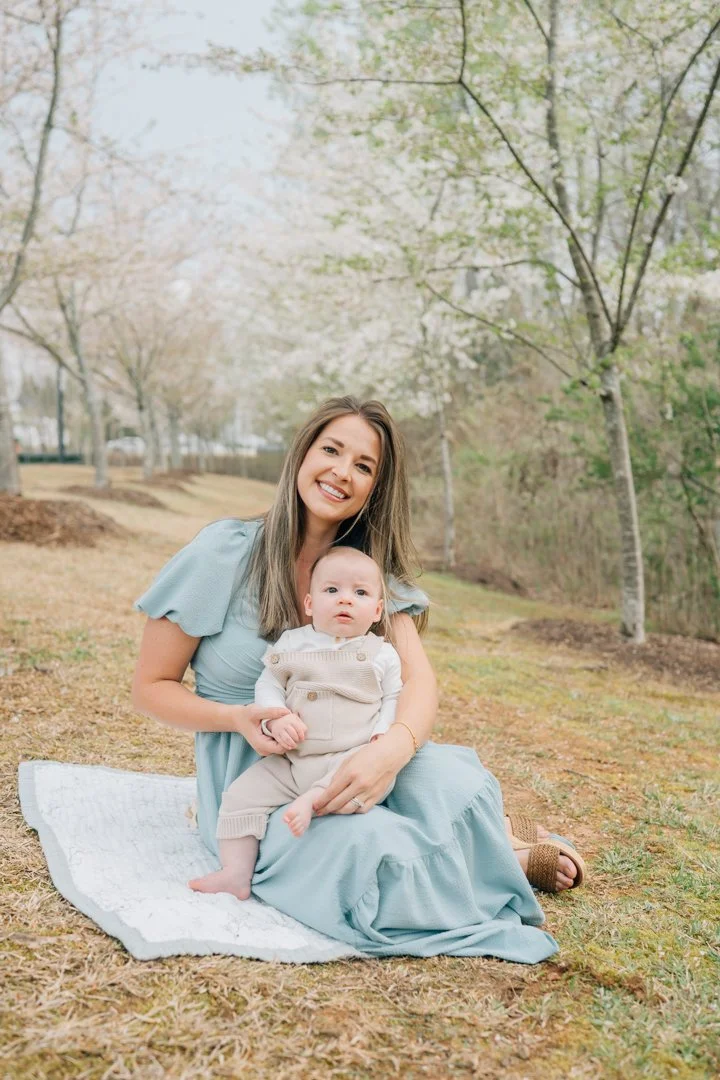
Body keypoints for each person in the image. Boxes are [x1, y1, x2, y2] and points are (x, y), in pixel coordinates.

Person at [132, 396, 584, 963]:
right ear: (303, 452)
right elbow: (150, 686)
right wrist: (236, 718)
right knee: (368, 849)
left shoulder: (369, 575)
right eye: (332, 450)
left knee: (453, 783)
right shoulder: (222, 553)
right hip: (260, 770)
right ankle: (506, 859)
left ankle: (488, 843)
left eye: (364, 466)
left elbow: (418, 683)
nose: (342, 472)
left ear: (375, 486)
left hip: (354, 746)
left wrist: (391, 751)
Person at [188, 546, 404, 899]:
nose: (345, 600)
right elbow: (268, 685)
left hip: (347, 757)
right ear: (308, 604)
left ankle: (312, 802)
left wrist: (383, 734)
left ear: (378, 611)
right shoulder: (292, 643)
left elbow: (394, 697)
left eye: (360, 593)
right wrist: (277, 718)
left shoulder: (381, 654)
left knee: (355, 782)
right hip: (291, 760)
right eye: (332, 590)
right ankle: (235, 873)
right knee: (240, 796)